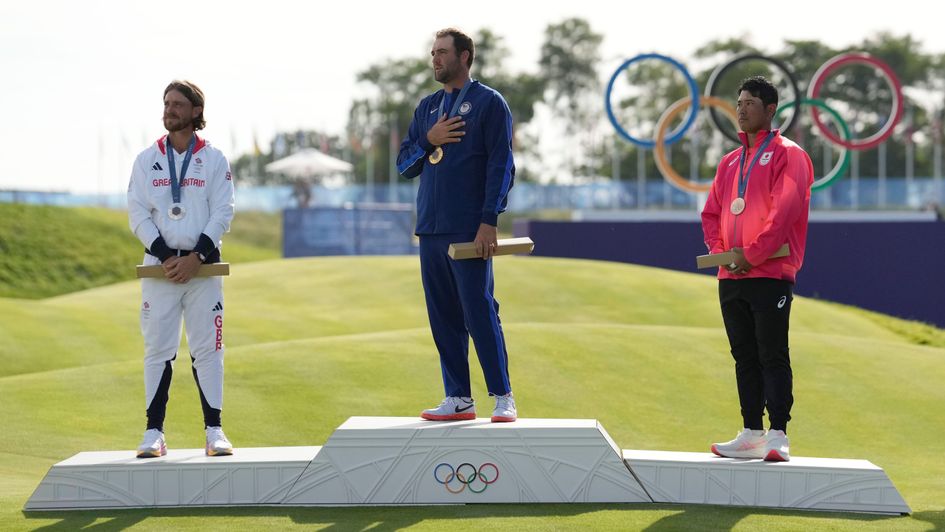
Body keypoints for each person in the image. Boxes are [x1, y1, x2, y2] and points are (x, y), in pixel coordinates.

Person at [397, 28, 517, 423]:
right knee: (443, 315)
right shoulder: (427, 108)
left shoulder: (489, 103)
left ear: (465, 57)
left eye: (443, 52)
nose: (435, 59)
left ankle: (503, 396)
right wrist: (429, 139)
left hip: (469, 228)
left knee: (479, 311)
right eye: (433, 52)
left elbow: (502, 166)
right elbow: (404, 166)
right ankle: (459, 398)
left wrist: (489, 221)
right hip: (430, 226)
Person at [701, 76, 813, 462]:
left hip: (770, 271)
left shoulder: (789, 153)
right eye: (739, 101)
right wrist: (723, 253)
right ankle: (751, 431)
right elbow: (712, 213)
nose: (741, 108)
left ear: (770, 110)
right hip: (731, 274)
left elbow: (786, 209)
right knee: (743, 355)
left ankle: (778, 433)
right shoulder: (730, 161)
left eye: (750, 102)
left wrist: (753, 253)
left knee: (772, 353)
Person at [127, 80, 235, 457]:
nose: (169, 109)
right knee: (158, 350)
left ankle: (214, 431)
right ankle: (153, 433)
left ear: (195, 112)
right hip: (161, 269)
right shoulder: (146, 160)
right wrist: (165, 255)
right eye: (166, 103)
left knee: (209, 349)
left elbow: (224, 211)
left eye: (177, 104)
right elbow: (138, 213)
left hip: (202, 269)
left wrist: (196, 258)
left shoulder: (214, 159)